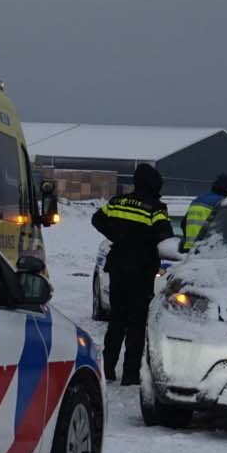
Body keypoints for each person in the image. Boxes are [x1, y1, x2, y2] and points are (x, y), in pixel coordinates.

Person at [92, 163, 178, 384]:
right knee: (137, 324)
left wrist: (118, 237)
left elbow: (97, 220)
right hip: (141, 271)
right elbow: (165, 236)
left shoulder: (117, 202)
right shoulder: (155, 207)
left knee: (117, 321)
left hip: (118, 267)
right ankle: (130, 375)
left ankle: (107, 369)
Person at [181, 173, 227, 252]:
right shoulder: (222, 202)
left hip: (189, 249)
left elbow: (183, 224)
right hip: (207, 250)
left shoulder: (198, 199)